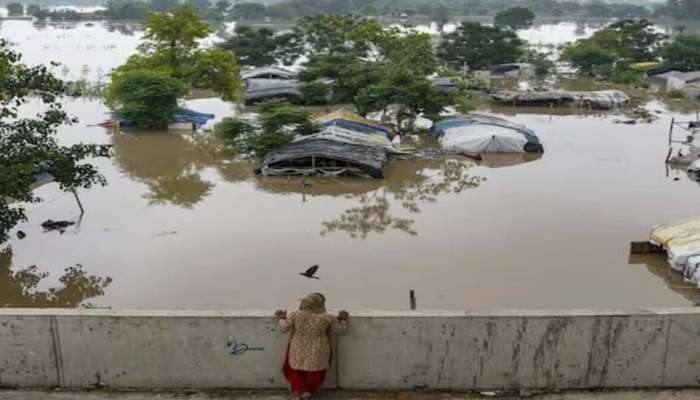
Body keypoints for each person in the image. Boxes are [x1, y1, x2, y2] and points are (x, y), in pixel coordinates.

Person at [275, 293, 349, 400]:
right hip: (319, 348)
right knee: (316, 371)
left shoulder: (295, 315)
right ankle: (307, 392)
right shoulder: (327, 318)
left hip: (297, 346)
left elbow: (284, 328)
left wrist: (281, 318)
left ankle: (302, 391)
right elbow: (340, 330)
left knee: (291, 369)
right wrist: (343, 319)